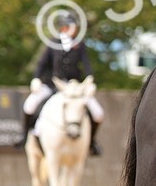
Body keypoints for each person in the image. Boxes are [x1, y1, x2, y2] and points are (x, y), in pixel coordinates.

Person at [22, 13, 104, 156]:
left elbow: (86, 64)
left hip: (74, 87)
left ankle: (91, 142)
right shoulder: (53, 42)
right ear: (64, 28)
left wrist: (90, 79)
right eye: (72, 26)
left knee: (98, 113)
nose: (76, 30)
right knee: (29, 105)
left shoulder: (79, 44)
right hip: (53, 84)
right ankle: (25, 137)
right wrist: (36, 79)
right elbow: (42, 63)